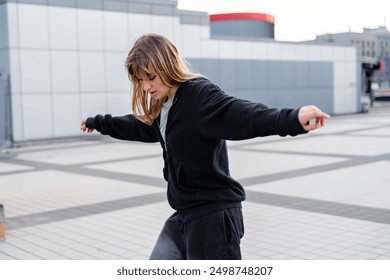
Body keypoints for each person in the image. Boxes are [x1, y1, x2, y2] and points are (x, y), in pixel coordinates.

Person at [80, 33, 330, 260]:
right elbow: (139, 126)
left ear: (167, 65)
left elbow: (241, 115)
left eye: (151, 77)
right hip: (185, 216)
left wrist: (291, 119)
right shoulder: (165, 105)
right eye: (141, 81)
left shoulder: (198, 96)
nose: (146, 87)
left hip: (214, 218)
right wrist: (99, 123)